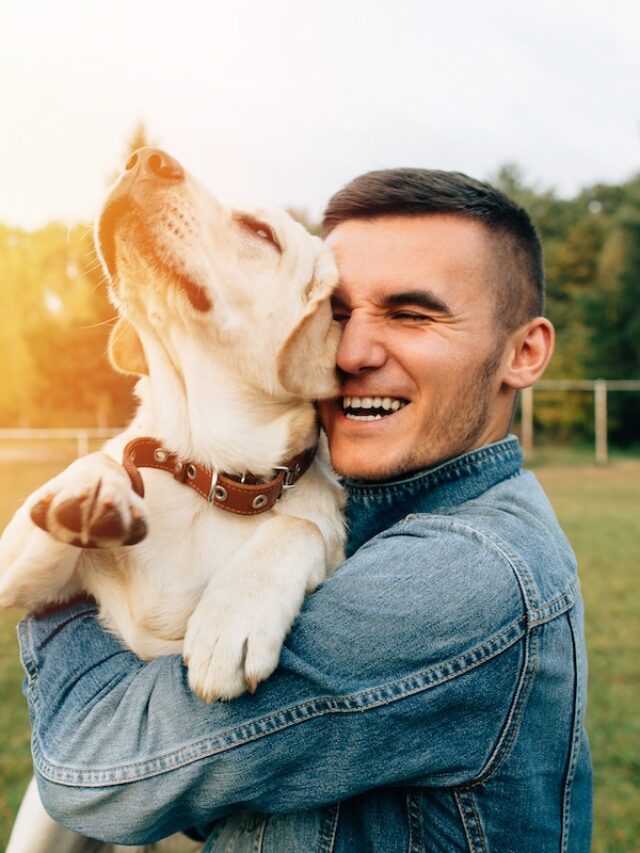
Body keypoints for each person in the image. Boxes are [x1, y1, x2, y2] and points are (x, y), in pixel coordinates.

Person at [18, 169, 592, 852]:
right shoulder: (358, 508)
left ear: (524, 353)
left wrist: (63, 570)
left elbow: (103, 768)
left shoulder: (468, 576)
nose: (349, 353)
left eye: (412, 314)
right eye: (338, 312)